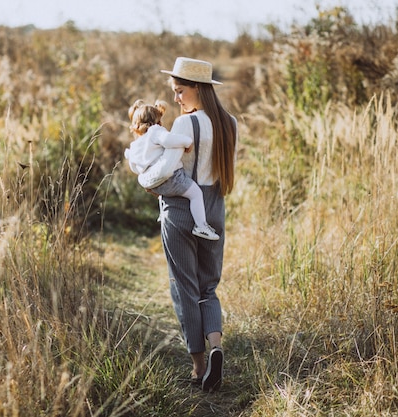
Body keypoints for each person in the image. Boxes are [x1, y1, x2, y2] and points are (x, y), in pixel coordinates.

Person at [158, 57, 238, 392]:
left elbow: (166, 171)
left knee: (184, 288)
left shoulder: (183, 126)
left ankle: (198, 366)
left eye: (180, 91)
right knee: (208, 288)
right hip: (215, 207)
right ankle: (216, 344)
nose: (177, 98)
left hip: (180, 211)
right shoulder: (230, 122)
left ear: (197, 89)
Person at [124, 99, 220, 240]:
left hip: (155, 186)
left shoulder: (135, 145)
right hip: (172, 179)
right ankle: (201, 226)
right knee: (195, 194)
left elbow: (134, 167)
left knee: (164, 193)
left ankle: (162, 212)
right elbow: (169, 140)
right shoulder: (155, 131)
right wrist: (187, 142)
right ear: (156, 121)